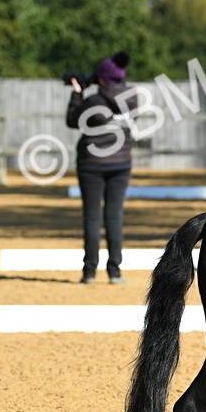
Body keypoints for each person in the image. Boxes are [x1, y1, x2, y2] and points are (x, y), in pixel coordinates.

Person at [66, 53, 136, 285]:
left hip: (91, 164)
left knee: (92, 217)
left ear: (103, 79)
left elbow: (72, 120)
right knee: (114, 216)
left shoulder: (93, 102)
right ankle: (115, 271)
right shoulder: (132, 98)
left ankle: (89, 272)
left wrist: (78, 93)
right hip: (121, 163)